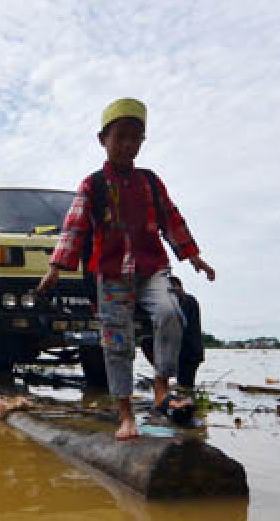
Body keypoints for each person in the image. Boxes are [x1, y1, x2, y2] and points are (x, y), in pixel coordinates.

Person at [37, 98, 215, 441]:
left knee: (171, 313)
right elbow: (73, 229)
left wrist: (194, 257)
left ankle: (162, 387)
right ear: (103, 140)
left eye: (135, 138)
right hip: (112, 273)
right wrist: (56, 268)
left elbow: (171, 219)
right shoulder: (93, 186)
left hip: (151, 269)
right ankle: (126, 415)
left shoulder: (149, 181)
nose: (128, 145)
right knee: (117, 342)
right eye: (121, 137)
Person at [140, 276, 204, 392]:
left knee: (185, 386)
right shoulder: (187, 300)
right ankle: (168, 387)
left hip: (187, 352)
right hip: (191, 352)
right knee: (185, 386)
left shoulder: (183, 301)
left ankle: (169, 389)